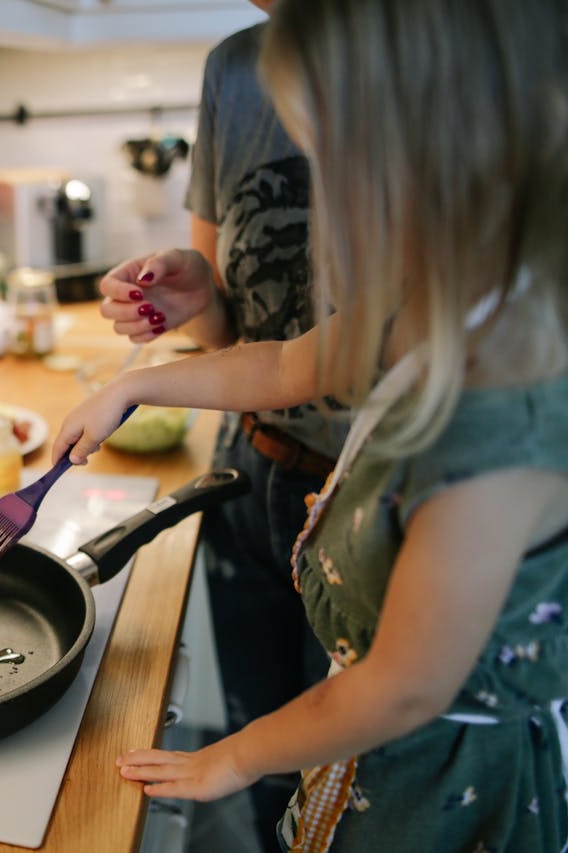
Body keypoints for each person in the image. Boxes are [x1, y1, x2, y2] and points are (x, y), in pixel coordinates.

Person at [56, 0, 568, 849]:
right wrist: (136, 385)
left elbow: (404, 687)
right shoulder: (441, 297)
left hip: (438, 790)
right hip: (366, 755)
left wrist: (238, 756)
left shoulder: (501, 421)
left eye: (340, 160)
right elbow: (285, 364)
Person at [101, 3, 336, 847]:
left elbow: (333, 353)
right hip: (253, 470)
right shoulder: (237, 68)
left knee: (349, 781)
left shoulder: (454, 55)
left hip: (377, 498)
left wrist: (141, 389)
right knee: (266, 757)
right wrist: (192, 292)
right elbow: (247, 341)